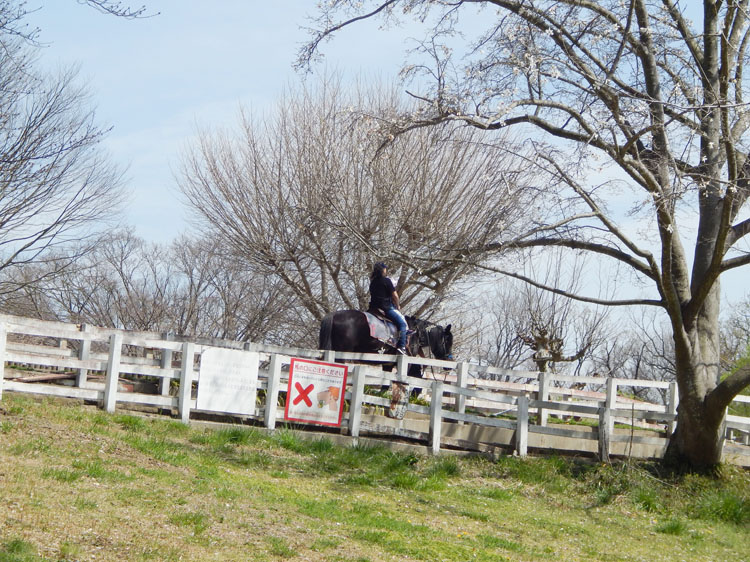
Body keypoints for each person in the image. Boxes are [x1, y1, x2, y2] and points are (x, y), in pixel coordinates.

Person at [368, 261, 408, 354]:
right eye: (385, 268)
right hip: (385, 308)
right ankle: (402, 346)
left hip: (373, 308)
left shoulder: (372, 282)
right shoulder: (386, 281)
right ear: (383, 270)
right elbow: (395, 296)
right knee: (402, 324)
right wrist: (397, 305)